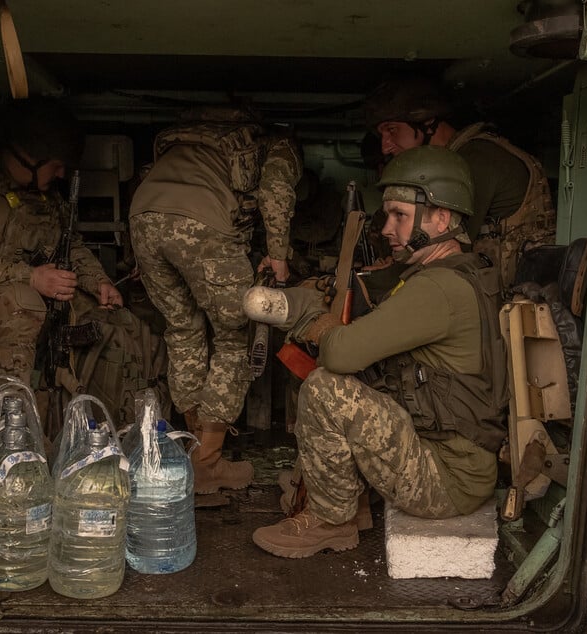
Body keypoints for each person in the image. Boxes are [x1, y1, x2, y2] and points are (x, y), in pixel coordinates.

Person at [248, 146, 507, 558]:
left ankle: (332, 520)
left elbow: (341, 355)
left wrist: (319, 324)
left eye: (400, 216)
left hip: (447, 481)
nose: (387, 228)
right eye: (387, 216)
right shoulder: (460, 273)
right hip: (456, 459)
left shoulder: (437, 288)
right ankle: (346, 500)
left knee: (326, 386)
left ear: (441, 217)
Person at [0, 100, 163, 430]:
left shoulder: (43, 197)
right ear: (29, 156)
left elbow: (69, 245)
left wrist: (98, 282)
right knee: (21, 303)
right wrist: (31, 277)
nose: (61, 173)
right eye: (56, 165)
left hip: (35, 290)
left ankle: (106, 424)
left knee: (111, 319)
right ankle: (14, 430)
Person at [129, 106, 302, 494]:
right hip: (204, 227)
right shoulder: (276, 143)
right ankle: (207, 465)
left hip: (143, 219)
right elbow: (275, 188)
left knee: (183, 329)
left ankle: (191, 446)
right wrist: (278, 256)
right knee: (233, 337)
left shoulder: (187, 137)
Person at [363, 76, 556, 286]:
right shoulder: (456, 159)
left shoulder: (476, 161)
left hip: (510, 299)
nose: (385, 147)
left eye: (393, 130)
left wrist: (383, 277)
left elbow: (447, 248)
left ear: (427, 123)